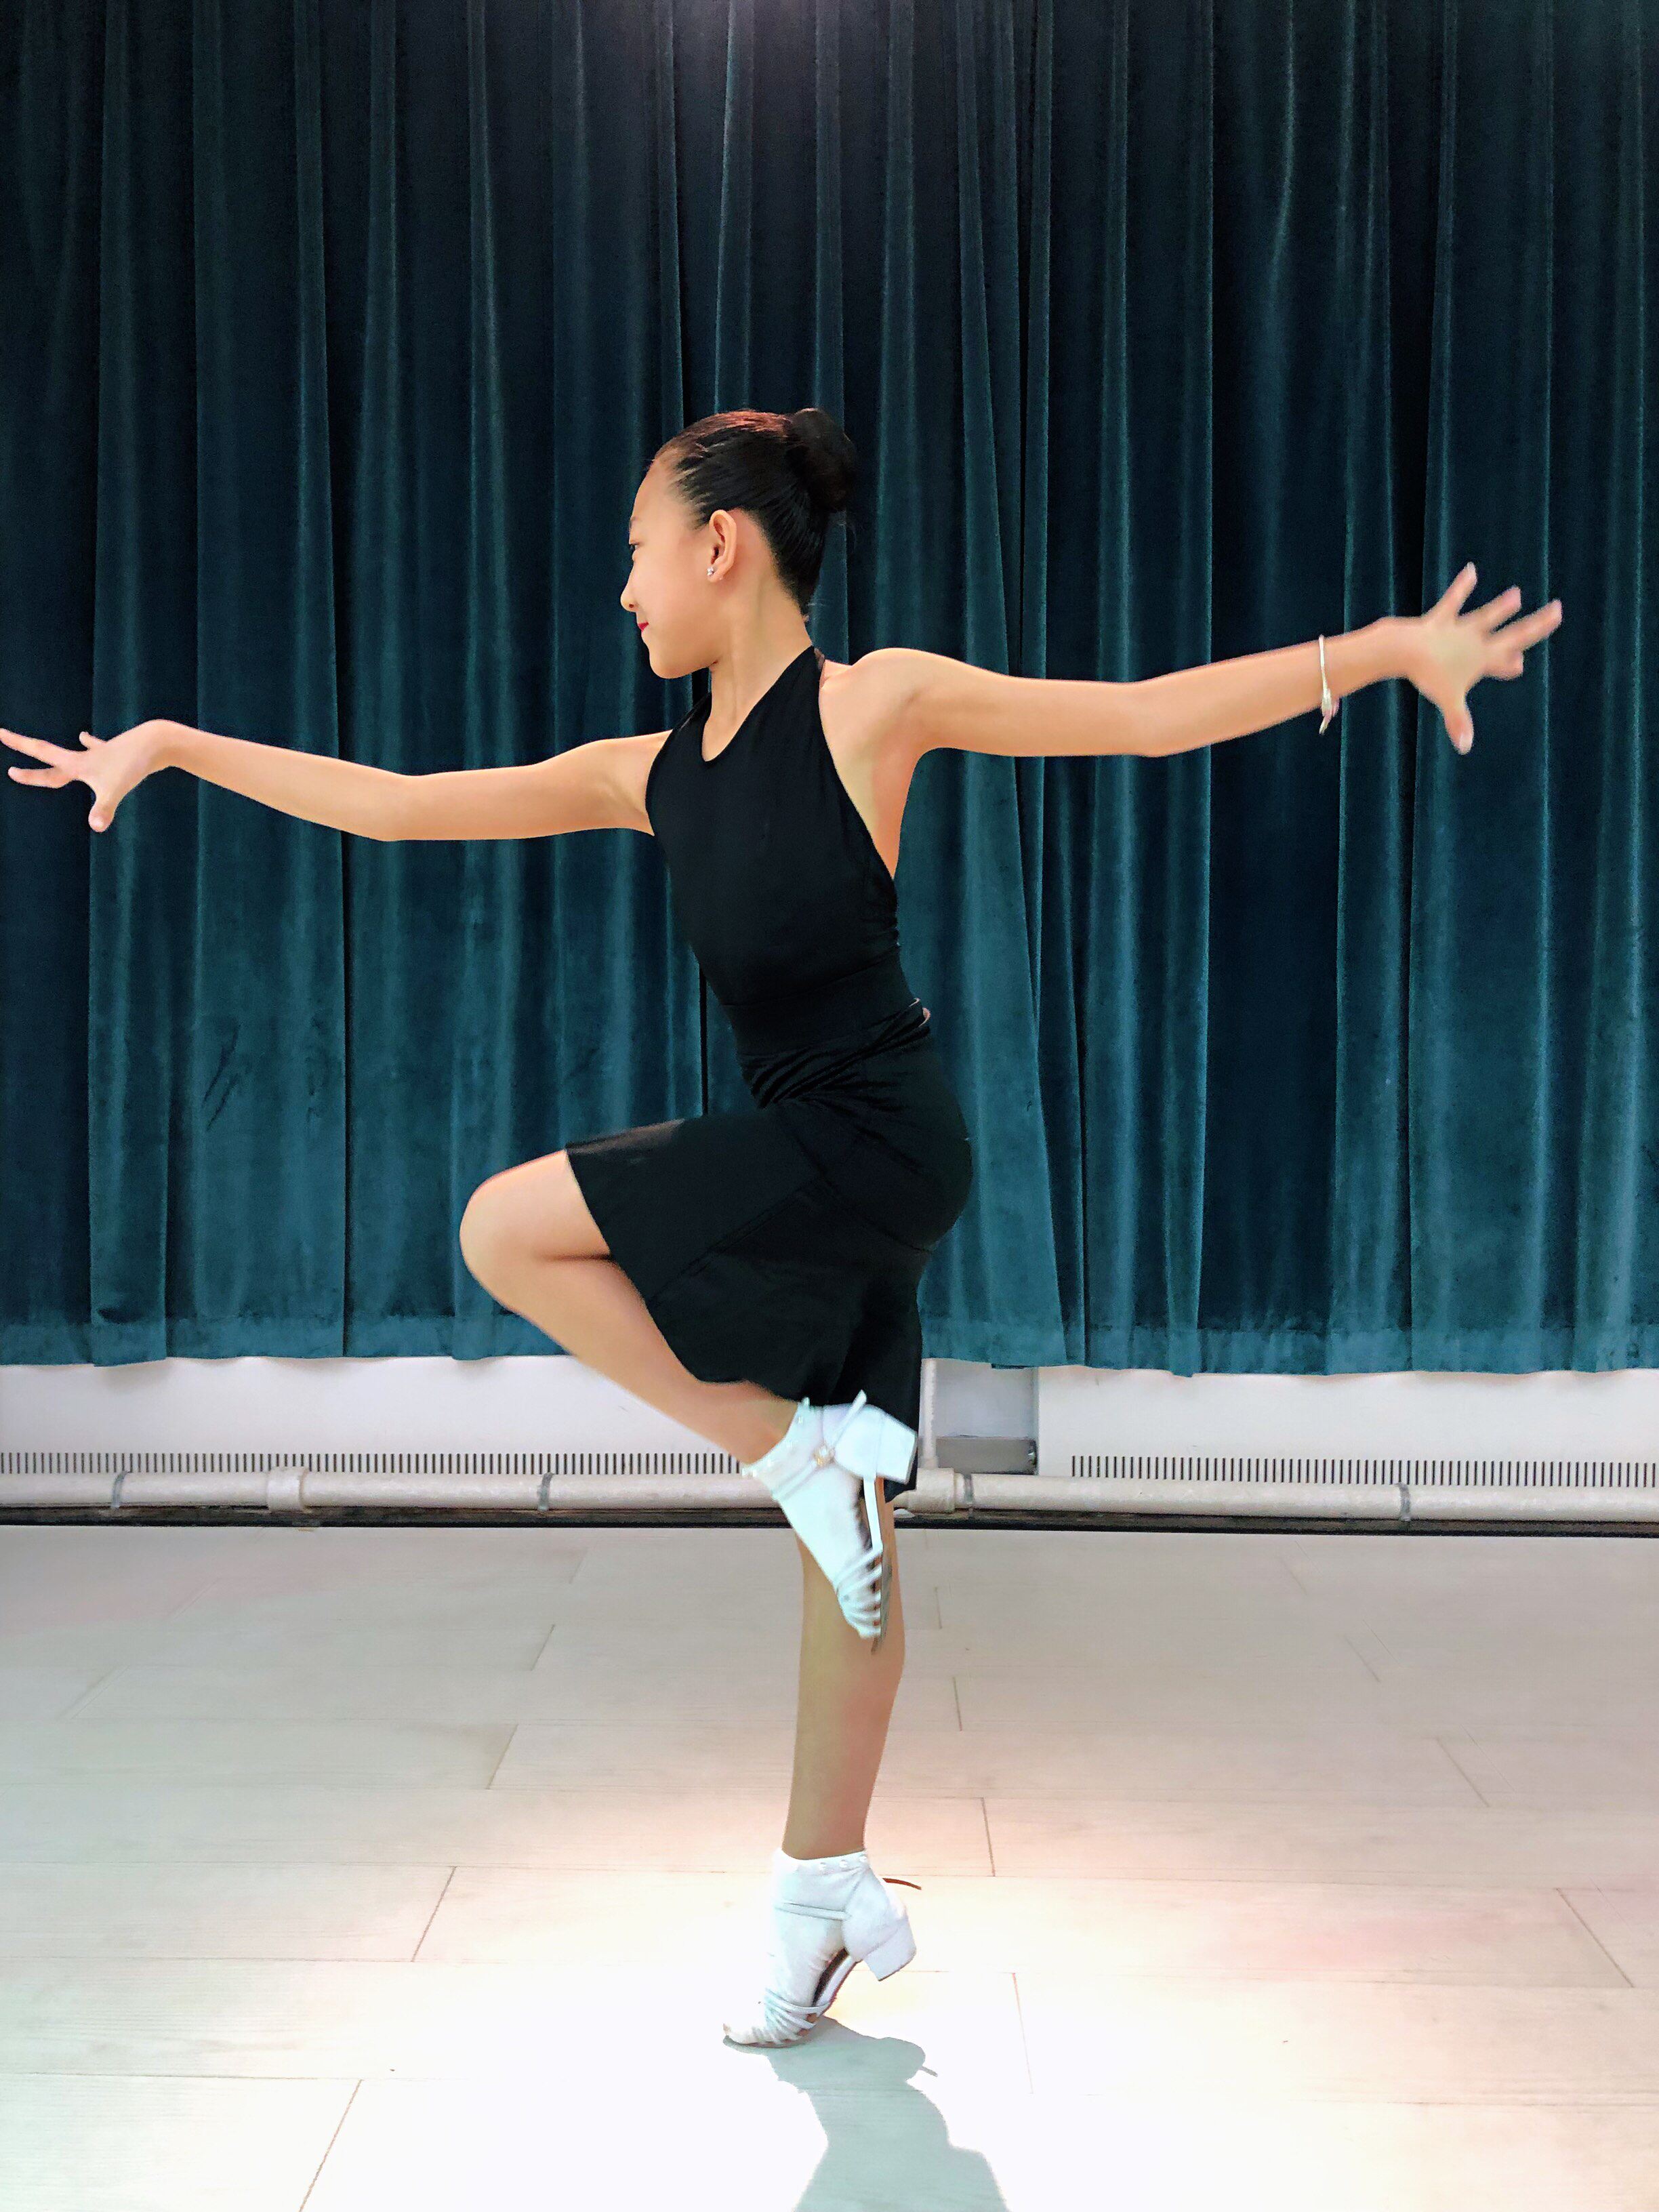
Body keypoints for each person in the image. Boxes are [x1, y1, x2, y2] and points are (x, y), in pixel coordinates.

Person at [1, 407, 1561, 2047]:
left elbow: (1141, 718)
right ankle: (822, 1894)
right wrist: (174, 745)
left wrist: (1382, 652)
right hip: (842, 1162)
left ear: (720, 545)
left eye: (636, 553)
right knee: (854, 1555)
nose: (625, 591)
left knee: (508, 1231)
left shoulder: (873, 704)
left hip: (871, 1140)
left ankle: (786, 1452)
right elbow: (398, 806)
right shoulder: (650, 775)